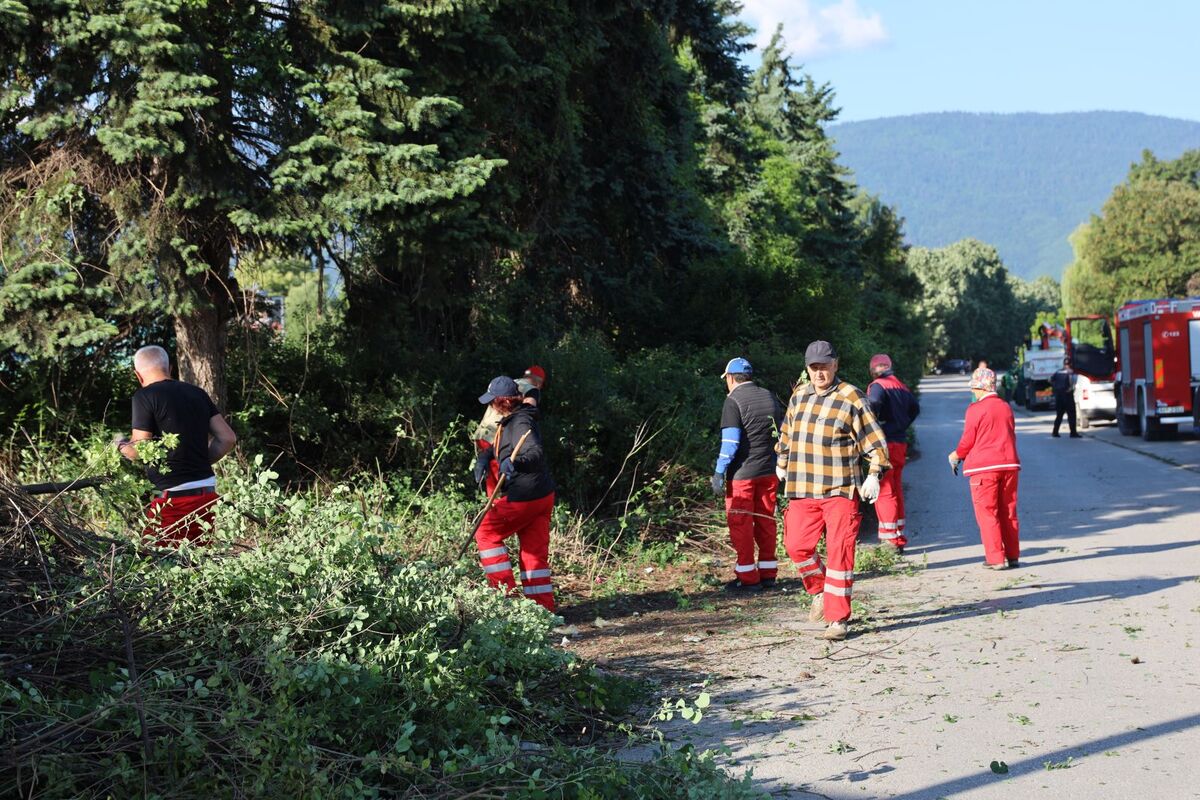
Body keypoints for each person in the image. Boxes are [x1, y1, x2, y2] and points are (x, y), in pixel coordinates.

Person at [776, 341, 890, 641]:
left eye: (824, 366)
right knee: (795, 545)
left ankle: (837, 619)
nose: (819, 372)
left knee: (840, 554)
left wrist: (874, 474)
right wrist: (781, 461)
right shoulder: (799, 396)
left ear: (835, 365)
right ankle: (819, 591)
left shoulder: (851, 397)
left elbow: (875, 443)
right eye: (814, 367)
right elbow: (786, 434)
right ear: (807, 369)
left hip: (839, 490)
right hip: (801, 487)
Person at [114, 345, 237, 545]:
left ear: (138, 375)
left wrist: (119, 445)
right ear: (169, 368)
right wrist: (199, 461)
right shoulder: (198, 393)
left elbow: (139, 450)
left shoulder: (144, 396)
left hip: (174, 499)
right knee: (198, 564)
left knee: (153, 562)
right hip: (207, 494)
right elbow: (228, 438)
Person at [473, 376, 557, 611]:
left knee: (485, 532)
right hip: (542, 496)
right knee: (533, 553)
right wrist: (485, 458)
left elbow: (535, 452)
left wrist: (516, 463)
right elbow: (502, 444)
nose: (490, 406)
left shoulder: (519, 423)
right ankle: (542, 611)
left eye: (493, 401)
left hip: (524, 496)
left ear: (504, 402)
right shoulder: (520, 413)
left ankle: (504, 600)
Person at [712, 357, 784, 591]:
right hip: (769, 471)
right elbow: (781, 433)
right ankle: (768, 575)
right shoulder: (769, 396)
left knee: (741, 524)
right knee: (766, 522)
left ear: (731, 378)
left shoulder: (733, 401)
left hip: (742, 475)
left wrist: (719, 472)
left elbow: (730, 443)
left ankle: (747, 578)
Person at [948, 368, 1021, 570]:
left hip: (984, 468)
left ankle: (996, 558)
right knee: (1008, 511)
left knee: (987, 513)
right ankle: (1013, 555)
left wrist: (956, 455)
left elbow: (967, 440)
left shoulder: (975, 409)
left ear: (980, 387)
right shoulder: (1006, 407)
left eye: (974, 387)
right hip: (1009, 465)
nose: (973, 391)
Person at [866, 354, 920, 553]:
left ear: (873, 369)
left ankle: (889, 541)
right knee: (895, 488)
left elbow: (873, 404)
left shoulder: (877, 385)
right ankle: (897, 533)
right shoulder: (901, 385)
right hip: (900, 442)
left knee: (885, 489)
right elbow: (915, 408)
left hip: (885, 444)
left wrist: (875, 426)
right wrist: (901, 425)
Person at [1050, 362, 1080, 438]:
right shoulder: (1071, 373)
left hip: (1059, 396)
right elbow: (1074, 382)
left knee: (1059, 415)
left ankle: (1055, 432)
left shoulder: (1058, 372)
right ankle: (1073, 433)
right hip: (1068, 395)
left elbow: (1050, 380)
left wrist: (1056, 387)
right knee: (1072, 415)